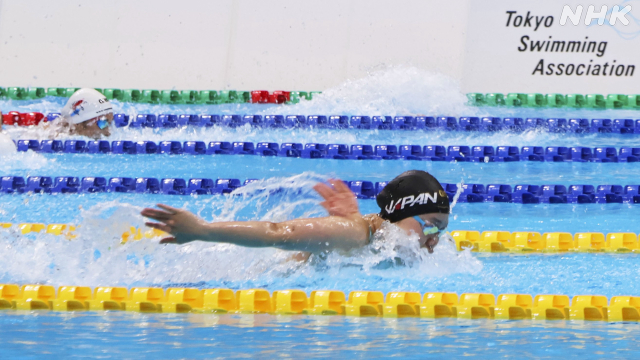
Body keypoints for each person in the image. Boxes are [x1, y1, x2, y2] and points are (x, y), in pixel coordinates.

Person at [141, 170, 449, 254]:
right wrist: (204, 231)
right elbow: (281, 234)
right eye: (432, 225)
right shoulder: (356, 234)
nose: (435, 239)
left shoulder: (372, 238)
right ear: (401, 212)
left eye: (441, 230)